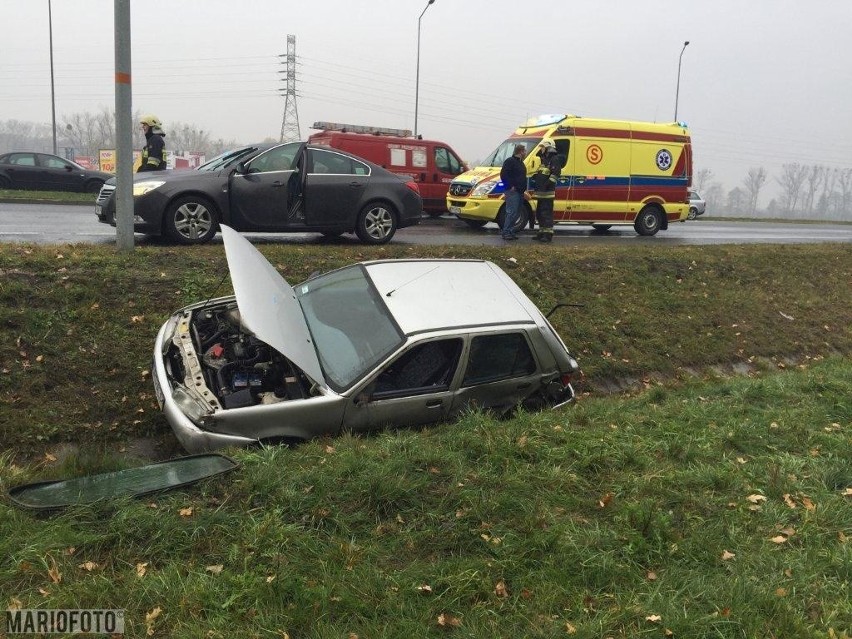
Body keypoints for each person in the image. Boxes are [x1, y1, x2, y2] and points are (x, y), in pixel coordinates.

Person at [530, 139, 562, 243]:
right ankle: (541, 232)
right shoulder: (545, 159)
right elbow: (543, 172)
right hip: (541, 192)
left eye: (543, 147)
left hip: (547, 193)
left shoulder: (554, 159)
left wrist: (546, 184)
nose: (541, 149)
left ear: (548, 148)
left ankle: (548, 235)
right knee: (539, 213)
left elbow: (555, 174)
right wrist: (536, 176)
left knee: (546, 213)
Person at [499, 144, 527, 240]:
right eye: (525, 151)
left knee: (517, 213)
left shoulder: (521, 163)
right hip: (512, 192)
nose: (525, 153)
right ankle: (506, 232)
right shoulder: (510, 161)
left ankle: (511, 231)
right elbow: (503, 175)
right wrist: (509, 186)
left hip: (520, 191)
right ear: (521, 151)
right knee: (511, 212)